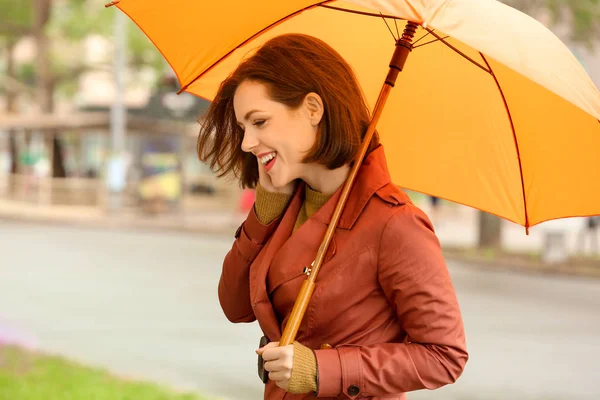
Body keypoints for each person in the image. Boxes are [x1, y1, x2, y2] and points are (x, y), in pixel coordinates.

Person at [197, 33, 468, 399]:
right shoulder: (284, 201)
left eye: (259, 122)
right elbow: (234, 305)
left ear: (312, 109)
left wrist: (320, 370)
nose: (247, 143)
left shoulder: (395, 223)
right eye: (244, 128)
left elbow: (445, 355)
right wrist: (265, 211)